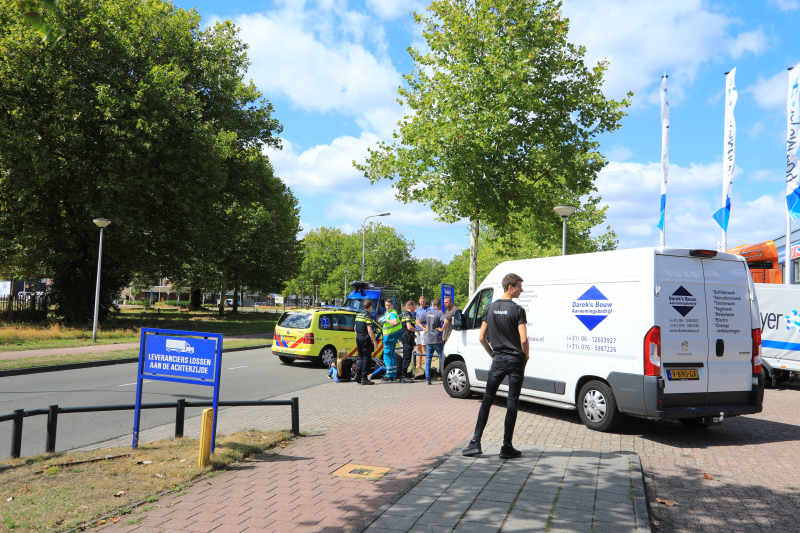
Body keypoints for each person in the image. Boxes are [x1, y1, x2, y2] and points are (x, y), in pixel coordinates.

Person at [462, 274, 529, 459]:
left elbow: (482, 337)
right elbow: (523, 339)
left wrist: (493, 354)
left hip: (498, 359)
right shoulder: (518, 310)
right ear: (510, 287)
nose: (521, 290)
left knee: (487, 399)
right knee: (512, 402)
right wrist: (526, 356)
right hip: (516, 360)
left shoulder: (489, 308)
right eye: (519, 287)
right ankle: (506, 447)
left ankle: (475, 443)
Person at [422, 298, 447, 385]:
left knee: (428, 359)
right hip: (437, 339)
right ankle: (445, 377)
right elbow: (446, 321)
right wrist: (442, 329)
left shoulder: (427, 313)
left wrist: (424, 329)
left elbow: (418, 321)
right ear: (440, 305)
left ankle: (428, 379)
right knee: (442, 358)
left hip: (429, 339)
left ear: (432, 304)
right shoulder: (440, 313)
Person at [355, 300, 378, 385]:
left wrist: (358, 337)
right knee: (366, 358)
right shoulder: (368, 316)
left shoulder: (358, 315)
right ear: (370, 307)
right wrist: (374, 342)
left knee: (361, 357)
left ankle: (357, 375)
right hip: (365, 338)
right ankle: (364, 378)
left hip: (358, 338)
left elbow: (355, 328)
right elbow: (369, 330)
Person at [379, 299, 402, 381]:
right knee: (392, 355)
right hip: (392, 337)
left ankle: (389, 375)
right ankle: (393, 374)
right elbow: (380, 320)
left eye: (389, 305)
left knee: (387, 356)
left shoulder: (392, 313)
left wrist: (386, 320)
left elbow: (395, 322)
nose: (387, 307)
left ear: (392, 305)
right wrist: (382, 319)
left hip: (389, 337)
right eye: (386, 305)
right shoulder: (388, 313)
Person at [399, 301, 417, 382]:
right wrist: (417, 331)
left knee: (407, 357)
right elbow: (409, 327)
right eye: (414, 305)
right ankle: (403, 376)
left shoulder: (407, 315)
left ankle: (404, 374)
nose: (415, 307)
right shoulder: (407, 315)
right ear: (411, 306)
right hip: (407, 338)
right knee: (407, 357)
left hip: (408, 337)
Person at [414, 296, 431, 374]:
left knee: (424, 348)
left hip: (423, 330)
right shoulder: (418, 309)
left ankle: (426, 365)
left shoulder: (428, 309)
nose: (422, 302)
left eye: (423, 301)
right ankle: (419, 364)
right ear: (419, 301)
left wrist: (426, 328)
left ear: (425, 301)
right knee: (418, 347)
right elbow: (417, 317)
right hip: (417, 330)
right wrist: (415, 325)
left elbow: (429, 319)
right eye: (421, 301)